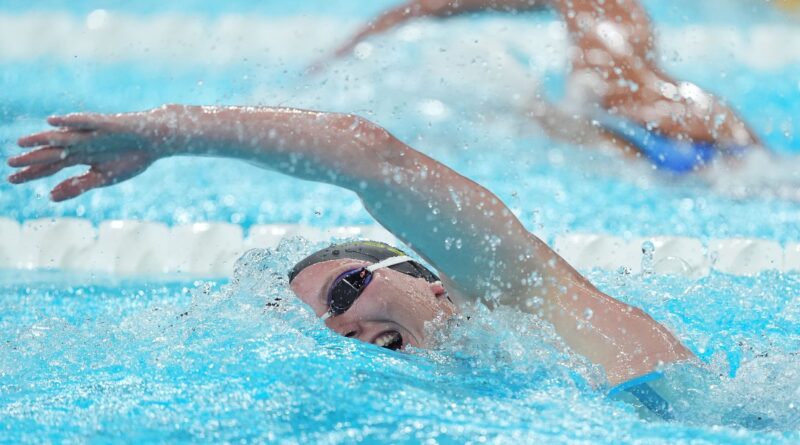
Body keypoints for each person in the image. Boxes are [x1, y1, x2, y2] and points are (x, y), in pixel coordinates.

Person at [8, 104, 694, 419]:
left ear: (437, 281)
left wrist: (170, 133)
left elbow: (371, 155)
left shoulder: (529, 301)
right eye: (320, 326)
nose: (337, 328)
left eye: (343, 291)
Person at [312, 0, 763, 173]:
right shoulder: (605, 13)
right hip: (697, 131)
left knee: (526, 114)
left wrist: (344, 52)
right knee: (529, 116)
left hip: (673, 134)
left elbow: (430, 6)